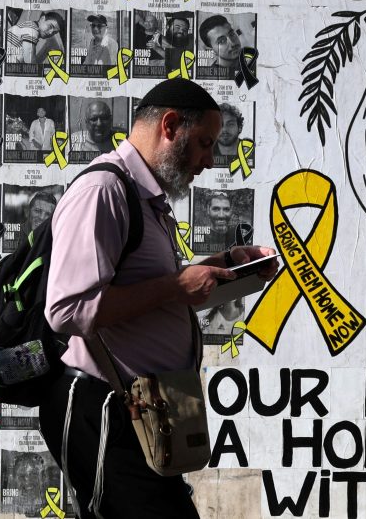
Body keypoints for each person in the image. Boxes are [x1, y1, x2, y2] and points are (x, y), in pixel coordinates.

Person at [40, 78, 279, 518]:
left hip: (144, 415)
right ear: (170, 126)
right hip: (107, 411)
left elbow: (152, 292)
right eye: (204, 143)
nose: (209, 160)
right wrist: (175, 287)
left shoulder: (144, 197)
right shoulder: (103, 191)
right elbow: (66, 310)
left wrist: (226, 265)